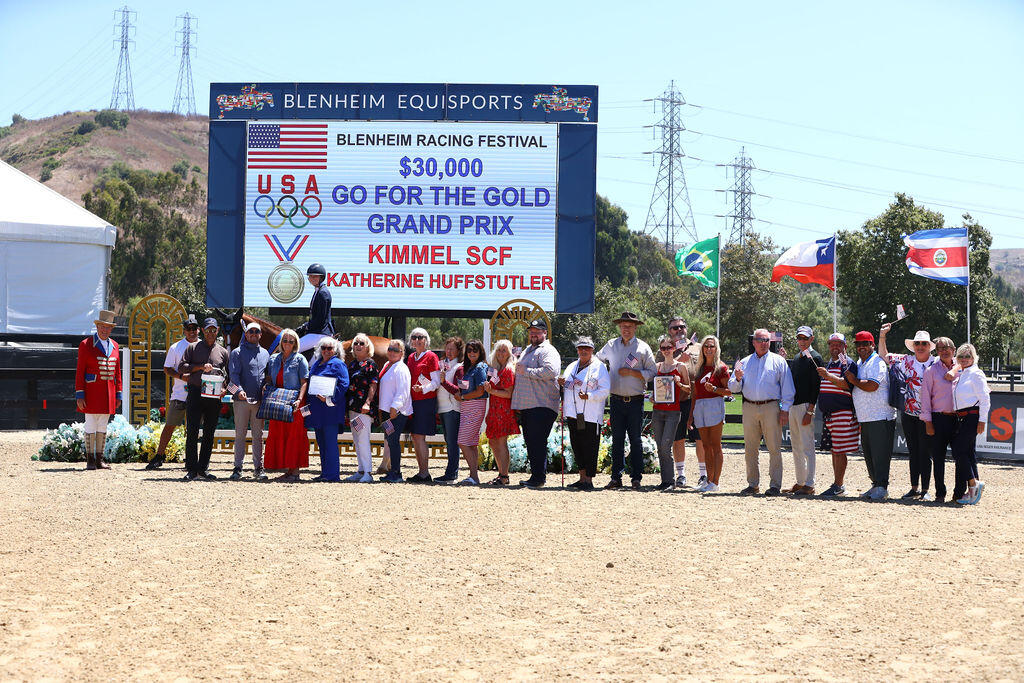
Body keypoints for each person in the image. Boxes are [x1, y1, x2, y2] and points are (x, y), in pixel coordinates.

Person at [729, 328, 796, 496]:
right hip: (749, 407)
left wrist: (785, 410)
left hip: (771, 407)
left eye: (767, 340)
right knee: (750, 449)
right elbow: (733, 388)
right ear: (753, 342)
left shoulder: (779, 362)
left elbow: (788, 388)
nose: (764, 343)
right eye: (760, 340)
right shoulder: (743, 362)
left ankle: (775, 485)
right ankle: (753, 484)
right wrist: (737, 378)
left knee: (774, 448)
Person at [597, 311, 657, 490]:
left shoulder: (643, 348)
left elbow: (653, 372)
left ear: (636, 327)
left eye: (630, 326)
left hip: (635, 400)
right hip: (615, 400)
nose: (626, 329)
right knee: (616, 439)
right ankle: (616, 477)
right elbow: (597, 360)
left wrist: (634, 373)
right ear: (619, 327)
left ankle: (636, 477)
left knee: (636, 440)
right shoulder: (610, 345)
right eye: (623, 326)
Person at [879, 324, 938, 500]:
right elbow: (884, 356)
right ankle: (914, 488)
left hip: (929, 415)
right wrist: (882, 336)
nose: (920, 346)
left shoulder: (936, 363)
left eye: (924, 344)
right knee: (913, 451)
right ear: (913, 346)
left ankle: (926, 490)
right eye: (918, 343)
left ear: (929, 346)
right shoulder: (906, 361)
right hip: (909, 413)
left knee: (926, 452)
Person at [844, 331, 896, 501]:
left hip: (880, 415)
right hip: (866, 416)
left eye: (865, 344)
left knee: (880, 454)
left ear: (872, 345)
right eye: (858, 344)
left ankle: (882, 486)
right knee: (869, 454)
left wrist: (853, 381)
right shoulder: (861, 362)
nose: (861, 347)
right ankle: (875, 485)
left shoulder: (877, 362)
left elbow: (872, 386)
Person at [511, 319, 562, 488]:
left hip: (542, 404)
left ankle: (539, 478)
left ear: (544, 333)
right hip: (529, 405)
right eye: (531, 331)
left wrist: (526, 371)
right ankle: (536, 476)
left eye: (537, 331)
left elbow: (551, 371)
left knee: (537, 441)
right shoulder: (528, 350)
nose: (534, 334)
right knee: (532, 441)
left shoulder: (548, 350)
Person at [178, 318, 231, 480]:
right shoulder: (192, 348)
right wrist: (200, 367)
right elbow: (181, 367)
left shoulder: (223, 352)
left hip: (214, 396)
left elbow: (229, 375)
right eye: (208, 330)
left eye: (213, 330)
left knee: (209, 432)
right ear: (202, 330)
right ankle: (191, 469)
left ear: (217, 331)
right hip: (195, 392)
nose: (211, 333)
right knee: (192, 430)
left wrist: (224, 389)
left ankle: (203, 468)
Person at [147, 314, 199, 469]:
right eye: (189, 329)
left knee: (193, 429)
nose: (192, 332)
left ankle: (191, 459)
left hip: (198, 394)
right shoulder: (176, 347)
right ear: (184, 331)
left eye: (194, 328)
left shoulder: (204, 347)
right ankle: (159, 456)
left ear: (198, 330)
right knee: (170, 425)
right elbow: (167, 369)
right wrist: (181, 376)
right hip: (179, 394)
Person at [560, 336, 610, 491]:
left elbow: (605, 390)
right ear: (577, 350)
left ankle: (588, 479)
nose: (583, 351)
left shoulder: (599, 367)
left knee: (590, 446)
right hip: (573, 413)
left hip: (590, 414)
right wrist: (561, 382)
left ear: (592, 350)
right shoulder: (572, 366)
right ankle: (582, 478)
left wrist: (590, 396)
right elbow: (567, 384)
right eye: (581, 348)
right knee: (577, 445)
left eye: (587, 348)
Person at [75, 309, 122, 470]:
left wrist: (119, 394)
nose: (105, 330)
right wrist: (80, 394)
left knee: (103, 425)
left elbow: (117, 372)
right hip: (91, 391)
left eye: (108, 327)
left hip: (109, 392)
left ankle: (99, 459)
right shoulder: (86, 344)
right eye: (102, 326)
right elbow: (80, 371)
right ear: (97, 326)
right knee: (90, 424)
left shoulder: (115, 346)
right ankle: (89, 459)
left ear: (111, 329)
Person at [263, 328, 310, 482]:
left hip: (294, 401)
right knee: (279, 434)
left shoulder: (300, 359)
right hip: (278, 400)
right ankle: (287, 470)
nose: (288, 343)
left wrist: (299, 399)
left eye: (291, 341)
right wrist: (267, 385)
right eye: (285, 340)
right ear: (281, 343)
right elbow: (270, 377)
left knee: (294, 436)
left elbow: (304, 382)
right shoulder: (273, 359)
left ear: (295, 343)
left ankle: (295, 471)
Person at [815, 333, 858, 497]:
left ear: (845, 346)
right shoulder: (831, 364)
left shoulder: (847, 363)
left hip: (842, 411)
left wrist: (827, 376)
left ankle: (839, 485)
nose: (835, 347)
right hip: (830, 414)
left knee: (840, 451)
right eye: (832, 344)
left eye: (839, 344)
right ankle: (837, 484)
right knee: (835, 450)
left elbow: (847, 384)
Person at [687, 335, 731, 492]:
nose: (708, 349)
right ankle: (709, 479)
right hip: (700, 406)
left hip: (714, 405)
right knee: (705, 446)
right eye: (706, 346)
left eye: (711, 346)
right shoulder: (699, 368)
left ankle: (715, 482)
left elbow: (730, 391)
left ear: (716, 348)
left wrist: (714, 389)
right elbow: (695, 394)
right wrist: (690, 415)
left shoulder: (721, 368)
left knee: (715, 446)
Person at [227, 321, 270, 480]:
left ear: (260, 335)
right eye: (250, 332)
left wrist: (267, 387)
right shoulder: (237, 353)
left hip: (259, 401)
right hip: (241, 400)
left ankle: (259, 468)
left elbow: (267, 377)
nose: (253, 334)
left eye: (256, 332)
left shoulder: (266, 353)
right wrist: (238, 391)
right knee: (240, 434)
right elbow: (233, 376)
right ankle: (237, 467)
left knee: (258, 435)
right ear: (246, 334)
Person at [949, 343, 989, 505]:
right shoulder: (962, 373)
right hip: (962, 417)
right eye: (961, 356)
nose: (964, 359)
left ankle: (973, 484)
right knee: (968, 452)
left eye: (968, 356)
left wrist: (982, 420)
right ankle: (973, 491)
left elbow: (985, 399)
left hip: (972, 416)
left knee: (958, 449)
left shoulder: (976, 374)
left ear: (974, 358)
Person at [305, 337, 349, 483]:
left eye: (330, 348)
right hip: (317, 411)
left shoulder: (338, 364)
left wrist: (329, 398)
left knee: (330, 443)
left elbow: (343, 384)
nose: (326, 351)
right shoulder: (317, 363)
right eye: (324, 348)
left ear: (335, 350)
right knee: (321, 442)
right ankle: (324, 473)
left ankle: (332, 475)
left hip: (330, 410)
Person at [786, 325, 823, 495]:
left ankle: (810, 483)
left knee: (807, 446)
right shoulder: (796, 358)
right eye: (799, 338)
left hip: (805, 406)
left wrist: (810, 410)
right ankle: (801, 481)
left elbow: (816, 386)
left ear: (811, 339)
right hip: (794, 405)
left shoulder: (815, 358)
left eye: (805, 338)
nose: (802, 341)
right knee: (796, 446)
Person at [668, 317, 703, 489]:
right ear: (670, 331)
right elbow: (659, 371)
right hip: (675, 400)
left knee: (700, 439)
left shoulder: (698, 347)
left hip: (696, 400)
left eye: (682, 327)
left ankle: (703, 475)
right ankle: (680, 475)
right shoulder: (666, 348)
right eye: (675, 328)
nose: (679, 330)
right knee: (678, 439)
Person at [920, 337, 956, 502]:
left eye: (947, 347)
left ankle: (959, 492)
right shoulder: (931, 371)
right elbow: (926, 398)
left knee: (960, 456)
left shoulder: (963, 367)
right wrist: (928, 422)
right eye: (940, 348)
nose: (944, 350)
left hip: (959, 419)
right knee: (939, 459)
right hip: (938, 419)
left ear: (954, 349)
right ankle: (940, 493)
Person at [651, 335, 687, 491]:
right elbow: (654, 388)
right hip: (658, 411)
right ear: (660, 350)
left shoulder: (681, 367)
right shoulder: (657, 367)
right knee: (660, 446)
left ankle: (671, 481)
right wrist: (653, 397)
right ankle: (665, 480)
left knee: (666, 445)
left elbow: (689, 390)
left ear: (674, 348)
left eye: (669, 347)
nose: (666, 350)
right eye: (663, 348)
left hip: (673, 412)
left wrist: (679, 384)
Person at [406, 327, 441, 483]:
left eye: (420, 337)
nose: (417, 340)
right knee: (415, 436)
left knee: (419, 436)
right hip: (413, 402)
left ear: (426, 340)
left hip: (426, 401)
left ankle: (425, 473)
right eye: (414, 337)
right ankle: (421, 472)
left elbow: (436, 382)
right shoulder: (411, 358)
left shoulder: (431, 357)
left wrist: (423, 389)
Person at [484, 339, 519, 486]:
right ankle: (501, 473)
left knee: (500, 442)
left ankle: (504, 475)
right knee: (493, 441)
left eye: (504, 350)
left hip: (503, 410)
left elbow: (509, 394)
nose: (500, 353)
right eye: (499, 349)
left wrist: (492, 391)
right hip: (494, 408)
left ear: (510, 353)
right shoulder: (496, 368)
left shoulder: (509, 369)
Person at [378, 339, 413, 483]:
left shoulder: (401, 368)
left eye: (396, 350)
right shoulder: (387, 365)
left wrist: (395, 407)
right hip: (387, 411)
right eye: (390, 349)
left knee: (393, 441)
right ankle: (392, 470)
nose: (392, 352)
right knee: (390, 441)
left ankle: (397, 473)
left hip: (396, 412)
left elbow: (403, 391)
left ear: (402, 353)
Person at [345, 333, 378, 483]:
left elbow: (373, 385)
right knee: (357, 439)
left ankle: (368, 472)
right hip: (353, 408)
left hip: (363, 409)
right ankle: (360, 470)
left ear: (367, 347)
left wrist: (368, 403)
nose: (358, 346)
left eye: (361, 343)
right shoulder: (352, 364)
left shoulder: (371, 364)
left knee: (363, 439)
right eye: (356, 343)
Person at [456, 339, 489, 485]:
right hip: (468, 406)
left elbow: (480, 391)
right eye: (469, 350)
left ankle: (474, 476)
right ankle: (473, 476)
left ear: (480, 351)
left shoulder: (481, 367)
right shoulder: (471, 367)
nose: (471, 353)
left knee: (462, 442)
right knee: (470, 443)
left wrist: (462, 396)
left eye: (475, 350)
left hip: (474, 405)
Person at [435, 337, 465, 483]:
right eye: (447, 348)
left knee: (452, 441)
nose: (449, 352)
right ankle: (450, 471)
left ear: (459, 351)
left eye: (452, 349)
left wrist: (444, 382)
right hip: (442, 407)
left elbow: (458, 391)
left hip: (453, 408)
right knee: (448, 440)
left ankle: (452, 472)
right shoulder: (442, 365)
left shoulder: (459, 367)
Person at [296, 263, 334, 353]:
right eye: (310, 276)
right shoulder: (318, 290)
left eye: (315, 277)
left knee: (292, 348)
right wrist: (305, 326)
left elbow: (320, 318)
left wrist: (307, 327)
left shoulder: (323, 293)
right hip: (317, 332)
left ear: (321, 278)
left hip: (321, 333)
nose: (312, 279)